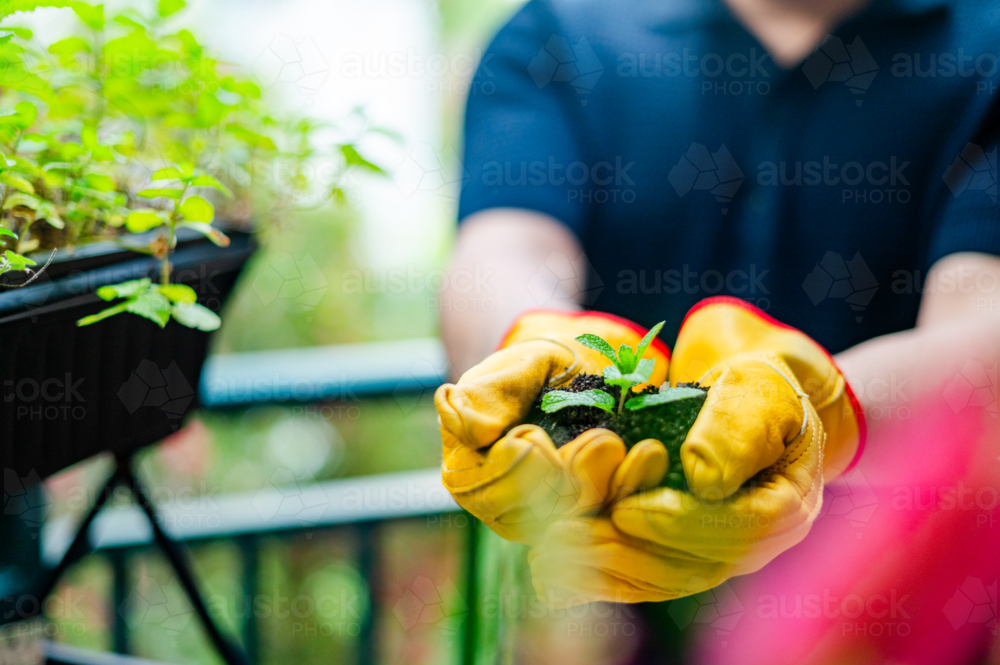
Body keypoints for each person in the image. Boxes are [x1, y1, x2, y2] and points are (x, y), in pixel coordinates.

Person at [435, 0, 999, 661]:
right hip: (600, 618)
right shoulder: (558, 34)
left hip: (900, 623)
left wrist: (819, 409)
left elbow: (981, 320)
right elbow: (502, 251)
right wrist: (530, 343)